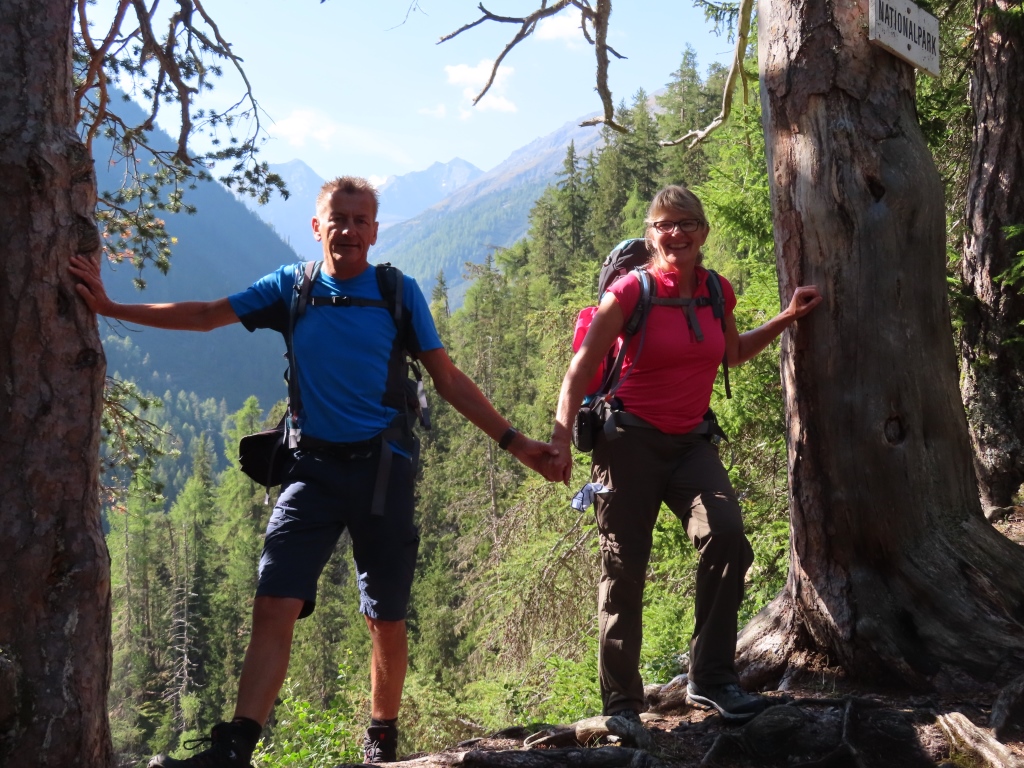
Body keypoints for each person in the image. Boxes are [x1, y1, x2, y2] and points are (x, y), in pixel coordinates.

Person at [69, 176, 561, 766]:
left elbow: (447, 379)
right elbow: (205, 315)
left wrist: (516, 444)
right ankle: (236, 747)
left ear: (374, 232)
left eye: (360, 220)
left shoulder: (397, 294)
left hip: (383, 472)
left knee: (385, 617)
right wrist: (112, 308)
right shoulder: (292, 288)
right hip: (311, 471)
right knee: (273, 602)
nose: (348, 230)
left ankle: (381, 738)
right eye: (338, 218)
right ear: (317, 226)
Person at [548, 185, 822, 722]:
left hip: (691, 444)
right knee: (623, 570)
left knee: (727, 537)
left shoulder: (717, 291)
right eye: (664, 225)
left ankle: (712, 678)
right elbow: (579, 371)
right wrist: (560, 440)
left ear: (703, 232)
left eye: (686, 223)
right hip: (627, 444)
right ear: (651, 235)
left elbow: (733, 353)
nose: (675, 233)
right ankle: (622, 706)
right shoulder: (630, 292)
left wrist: (787, 317)